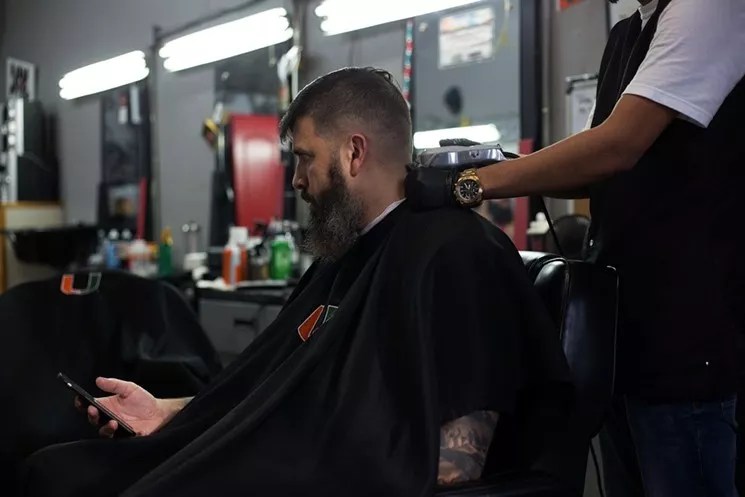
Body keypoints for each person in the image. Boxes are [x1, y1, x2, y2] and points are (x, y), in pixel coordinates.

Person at [20, 68, 570, 497]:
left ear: (354, 152)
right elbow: (277, 387)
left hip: (324, 477)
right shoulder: (345, 256)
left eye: (304, 158)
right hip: (286, 456)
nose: (296, 180)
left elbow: (458, 466)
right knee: (56, 471)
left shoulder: (455, 253)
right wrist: (171, 412)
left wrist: (282, 458)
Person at [406, 1, 745, 497]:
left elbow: (618, 146)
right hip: (628, 342)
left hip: (690, 344)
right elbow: (591, 166)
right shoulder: (628, 34)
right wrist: (495, 165)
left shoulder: (708, 8)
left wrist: (473, 184)